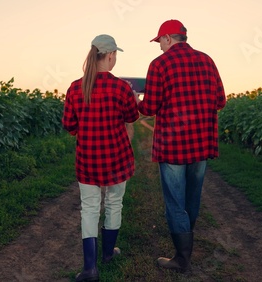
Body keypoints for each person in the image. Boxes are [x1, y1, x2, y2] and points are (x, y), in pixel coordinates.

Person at [135, 19, 226, 273]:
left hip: (173, 146)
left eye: (159, 42)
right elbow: (220, 101)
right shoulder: (207, 60)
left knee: (175, 202)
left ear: (167, 38)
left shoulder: (160, 65)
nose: (159, 48)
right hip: (202, 144)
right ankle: (185, 250)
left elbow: (150, 107)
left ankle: (182, 259)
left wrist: (137, 102)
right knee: (191, 199)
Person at [62, 34, 139, 282]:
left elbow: (69, 125)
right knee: (114, 203)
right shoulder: (122, 88)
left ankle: (89, 269)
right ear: (110, 55)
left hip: (87, 159)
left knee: (89, 209)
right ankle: (107, 254)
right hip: (117, 158)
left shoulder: (75, 87)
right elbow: (131, 117)